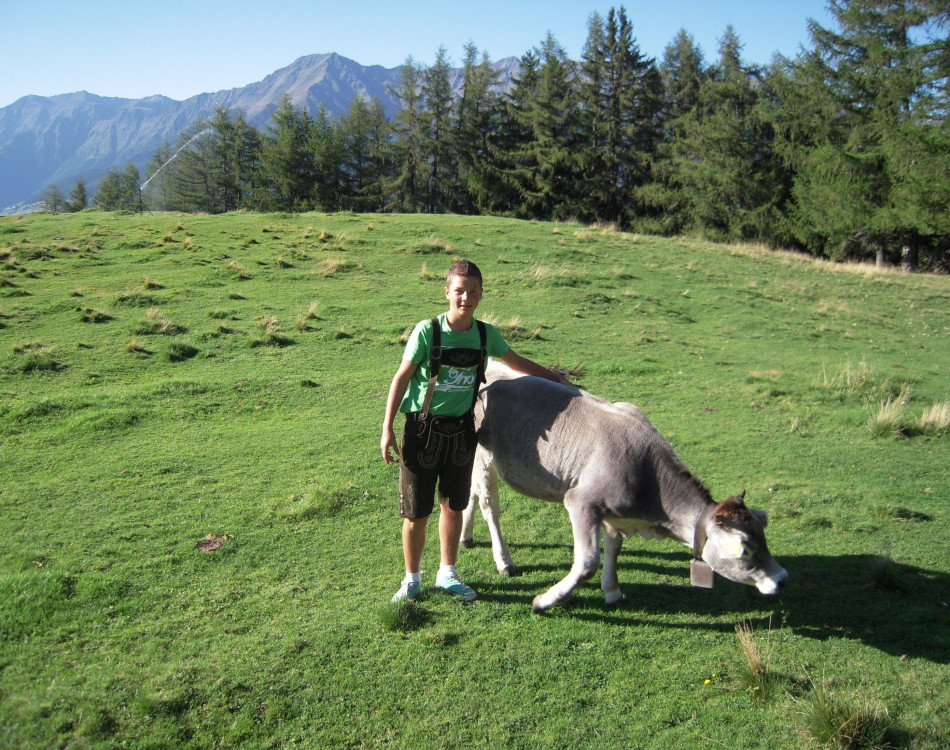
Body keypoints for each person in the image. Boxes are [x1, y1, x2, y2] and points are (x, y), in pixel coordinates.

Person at [381, 260, 567, 603]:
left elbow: (517, 362)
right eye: (460, 291)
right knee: (416, 512)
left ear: (481, 294)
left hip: (464, 431)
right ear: (447, 292)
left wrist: (552, 376)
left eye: (473, 291)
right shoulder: (428, 331)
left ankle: (447, 574)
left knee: (454, 507)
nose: (466, 297)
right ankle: (411, 580)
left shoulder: (485, 334)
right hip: (421, 432)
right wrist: (387, 428)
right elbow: (401, 378)